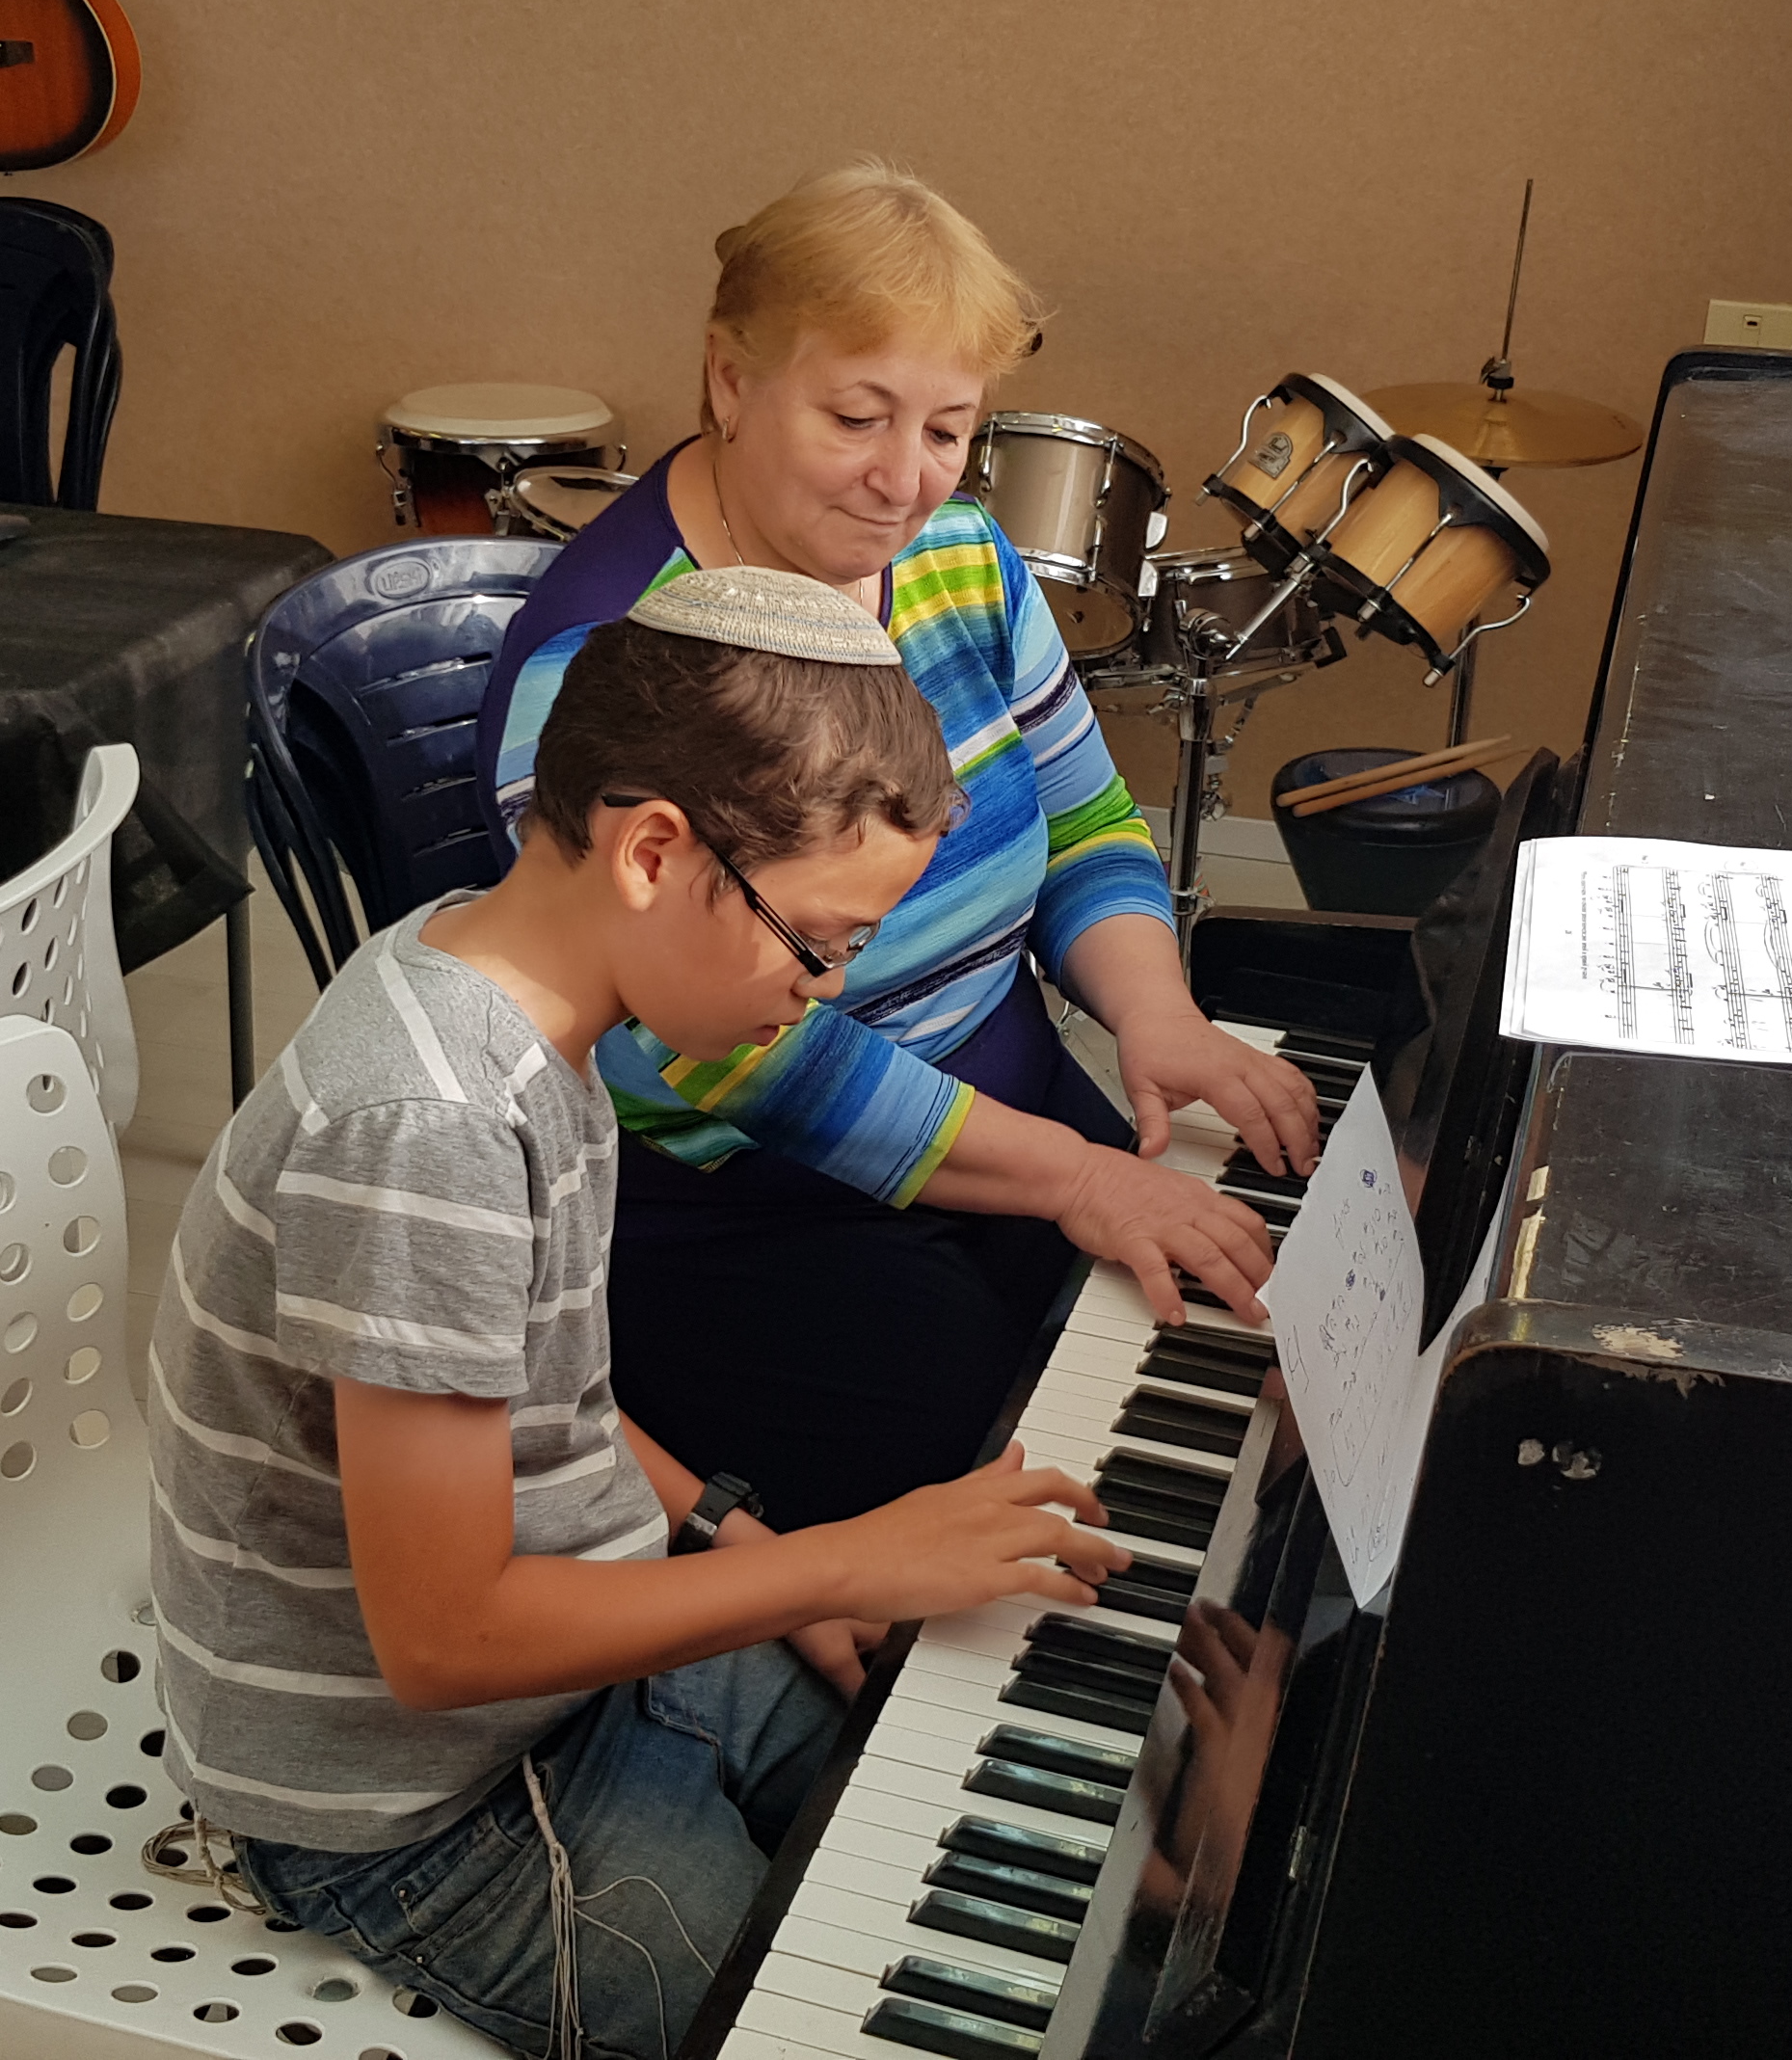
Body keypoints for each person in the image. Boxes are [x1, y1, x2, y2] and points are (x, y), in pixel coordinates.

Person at [161, 564, 1133, 2060]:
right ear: (655, 852)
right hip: (414, 1807)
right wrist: (845, 1554)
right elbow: (444, 1640)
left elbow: (545, 1398)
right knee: (816, 2026)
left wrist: (757, 1548)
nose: (828, 990)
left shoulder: (511, 984)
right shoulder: (428, 1126)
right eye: (820, 941)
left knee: (981, 1829)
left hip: (580, 1663)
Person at [477, 159, 1325, 1531]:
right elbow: (711, 1044)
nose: (904, 482)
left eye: (948, 430)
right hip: (754, 1201)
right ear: (730, 379)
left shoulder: (966, 558)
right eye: (856, 418)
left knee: (1241, 1337)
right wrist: (1075, 1177)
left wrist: (1156, 1013)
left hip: (1009, 1103)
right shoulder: (609, 657)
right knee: (1025, 1480)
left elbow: (1086, 821)